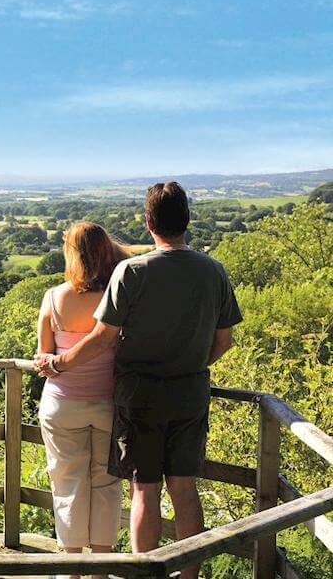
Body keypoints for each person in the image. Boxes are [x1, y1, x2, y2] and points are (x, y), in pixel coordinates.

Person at [34, 182, 242, 579]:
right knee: (184, 488)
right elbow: (225, 340)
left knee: (144, 490)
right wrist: (193, 365)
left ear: (148, 223)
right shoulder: (213, 270)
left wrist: (59, 364)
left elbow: (103, 338)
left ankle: (145, 574)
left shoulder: (133, 271)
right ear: (188, 219)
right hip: (190, 392)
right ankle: (189, 574)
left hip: (139, 394)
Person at [36, 221, 130, 579]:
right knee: (106, 484)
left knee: (66, 481)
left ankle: (71, 567)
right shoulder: (118, 296)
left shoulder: (54, 297)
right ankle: (101, 569)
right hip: (108, 403)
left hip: (63, 403)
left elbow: (42, 355)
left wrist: (54, 361)